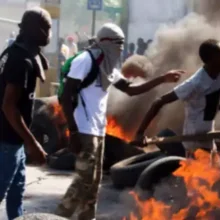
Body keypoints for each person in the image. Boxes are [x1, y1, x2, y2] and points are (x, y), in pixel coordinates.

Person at [55, 23, 184, 220]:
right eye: (118, 44)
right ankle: (57, 216)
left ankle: (87, 217)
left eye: (122, 44)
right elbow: (66, 96)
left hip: (98, 130)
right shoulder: (85, 60)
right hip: (83, 129)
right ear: (105, 42)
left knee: (94, 182)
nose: (120, 49)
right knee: (83, 180)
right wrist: (73, 132)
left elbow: (131, 90)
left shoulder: (106, 67)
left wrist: (162, 79)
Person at [135, 39, 220, 158]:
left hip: (208, 138)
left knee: (214, 175)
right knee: (205, 176)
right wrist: (140, 133)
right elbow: (159, 101)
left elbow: (219, 98)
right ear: (211, 59)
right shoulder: (195, 84)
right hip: (194, 142)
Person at [0, 7, 51, 220]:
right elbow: (9, 106)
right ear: (36, 30)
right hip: (6, 141)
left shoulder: (19, 52)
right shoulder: (20, 60)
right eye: (47, 29)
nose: (49, 34)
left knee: (16, 197)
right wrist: (33, 143)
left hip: (14, 141)